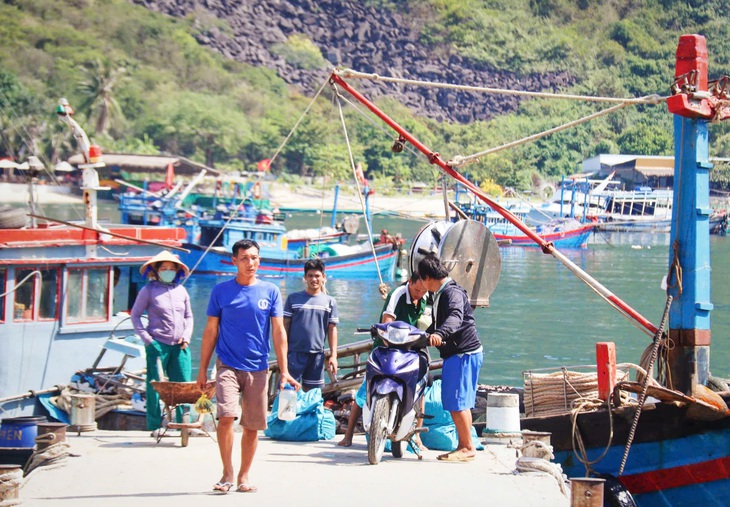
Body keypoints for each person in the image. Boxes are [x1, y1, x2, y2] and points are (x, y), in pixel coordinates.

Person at [197, 239, 299, 494]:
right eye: (244, 258)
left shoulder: (271, 291)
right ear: (234, 261)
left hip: (258, 367)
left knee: (252, 425)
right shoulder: (221, 291)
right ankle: (227, 472)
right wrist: (202, 369)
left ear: (259, 260)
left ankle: (244, 475)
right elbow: (210, 332)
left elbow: (278, 332)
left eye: (254, 257)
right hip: (227, 365)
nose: (250, 262)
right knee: (226, 417)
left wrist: (284, 370)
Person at [337, 271, 430, 448]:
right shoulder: (397, 295)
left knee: (420, 385)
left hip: (410, 349)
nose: (419, 294)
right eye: (417, 290)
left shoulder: (425, 297)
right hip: (386, 347)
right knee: (365, 390)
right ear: (410, 282)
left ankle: (417, 437)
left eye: (423, 291)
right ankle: (348, 435)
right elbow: (386, 322)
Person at [418, 253, 483, 462]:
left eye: (422, 279)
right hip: (462, 354)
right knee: (460, 401)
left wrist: (439, 334)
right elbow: (437, 323)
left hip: (463, 354)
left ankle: (467, 447)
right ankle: (464, 444)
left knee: (457, 403)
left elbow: (455, 318)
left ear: (428, 278)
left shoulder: (451, 293)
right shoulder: (441, 293)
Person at [130, 251, 193, 434]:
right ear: (156, 271)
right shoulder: (148, 291)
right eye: (164, 269)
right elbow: (135, 316)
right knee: (155, 385)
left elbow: (189, 316)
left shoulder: (181, 291)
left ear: (177, 271)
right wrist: (149, 341)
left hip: (180, 346)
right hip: (157, 344)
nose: (168, 271)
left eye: (171, 269)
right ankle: (155, 425)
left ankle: (184, 425)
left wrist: (187, 336)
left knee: (184, 386)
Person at [284, 259, 339, 392]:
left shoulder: (330, 302)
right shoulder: (293, 299)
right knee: (289, 392)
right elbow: (284, 327)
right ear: (305, 277)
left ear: (323, 277)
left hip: (317, 356)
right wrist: (283, 352)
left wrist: (333, 355)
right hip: (294, 354)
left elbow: (332, 329)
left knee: (312, 396)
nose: (314, 279)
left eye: (317, 276)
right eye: (310, 276)